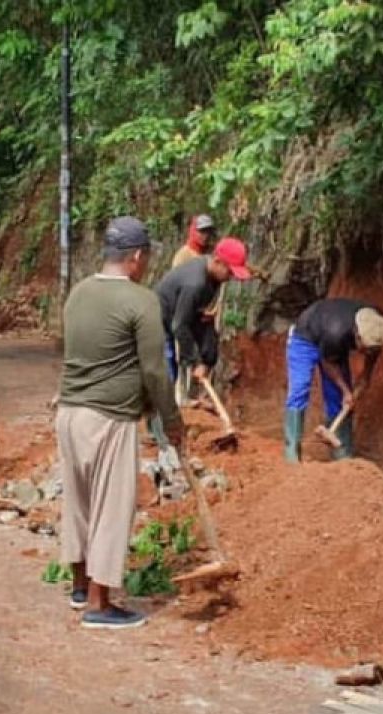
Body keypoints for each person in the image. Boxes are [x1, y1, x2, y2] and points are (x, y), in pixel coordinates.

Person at [58, 216, 184, 629]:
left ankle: (80, 587)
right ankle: (100, 604)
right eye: (145, 256)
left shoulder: (78, 293)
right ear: (135, 257)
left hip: (70, 413)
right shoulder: (141, 301)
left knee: (78, 504)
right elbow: (154, 370)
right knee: (111, 509)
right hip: (109, 419)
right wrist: (171, 419)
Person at [284, 297, 383, 462]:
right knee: (300, 388)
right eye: (364, 348)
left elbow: (368, 366)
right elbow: (327, 363)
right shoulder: (337, 332)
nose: (365, 352)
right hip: (305, 336)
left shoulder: (377, 325)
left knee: (339, 400)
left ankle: (342, 453)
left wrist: (363, 380)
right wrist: (346, 391)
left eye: (371, 350)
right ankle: (292, 452)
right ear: (357, 336)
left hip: (333, 341)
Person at [155, 237, 252, 412]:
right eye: (229, 272)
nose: (230, 277)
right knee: (169, 363)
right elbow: (179, 325)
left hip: (185, 314)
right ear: (217, 261)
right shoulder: (196, 283)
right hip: (162, 317)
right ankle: (164, 418)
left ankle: (189, 398)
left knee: (210, 345)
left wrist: (204, 360)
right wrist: (195, 361)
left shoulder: (213, 275)